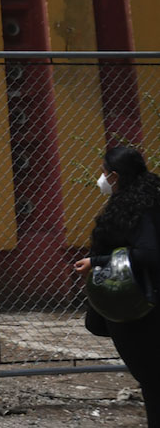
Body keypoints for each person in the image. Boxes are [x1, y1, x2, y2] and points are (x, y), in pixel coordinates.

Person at [74, 146, 160, 426]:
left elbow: (149, 253)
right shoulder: (145, 198)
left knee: (152, 378)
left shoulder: (139, 208)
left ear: (114, 176)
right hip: (139, 302)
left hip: (139, 305)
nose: (101, 179)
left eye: (103, 173)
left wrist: (96, 261)